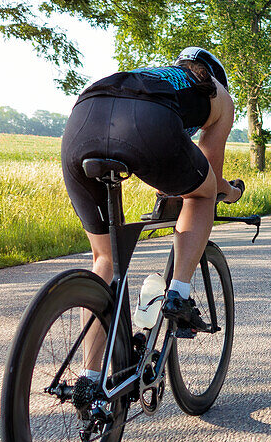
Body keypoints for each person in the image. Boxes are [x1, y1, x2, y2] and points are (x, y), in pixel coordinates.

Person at [60, 47, 243, 390]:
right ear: (218, 77)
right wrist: (230, 191)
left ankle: (91, 378)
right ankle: (178, 294)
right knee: (201, 195)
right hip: (148, 124)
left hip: (83, 117)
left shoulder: (154, 73)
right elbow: (211, 175)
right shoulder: (220, 96)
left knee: (105, 259)